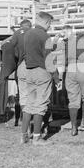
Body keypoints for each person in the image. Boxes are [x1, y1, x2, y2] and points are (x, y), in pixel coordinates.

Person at [17, 12, 57, 145]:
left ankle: (23, 136)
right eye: (49, 24)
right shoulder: (46, 37)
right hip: (42, 72)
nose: (50, 26)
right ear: (46, 22)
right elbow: (49, 59)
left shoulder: (28, 34)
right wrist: (56, 76)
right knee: (40, 105)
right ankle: (37, 137)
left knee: (29, 104)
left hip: (29, 70)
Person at [64, 32, 84, 135]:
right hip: (83, 67)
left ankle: (74, 126)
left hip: (70, 69)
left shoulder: (70, 42)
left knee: (73, 100)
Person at [0, 19, 32, 120]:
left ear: (20, 26)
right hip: (34, 66)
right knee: (34, 93)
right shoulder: (34, 33)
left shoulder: (16, 34)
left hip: (21, 66)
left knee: (22, 95)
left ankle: (23, 118)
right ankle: (34, 119)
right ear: (30, 26)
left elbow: (8, 46)